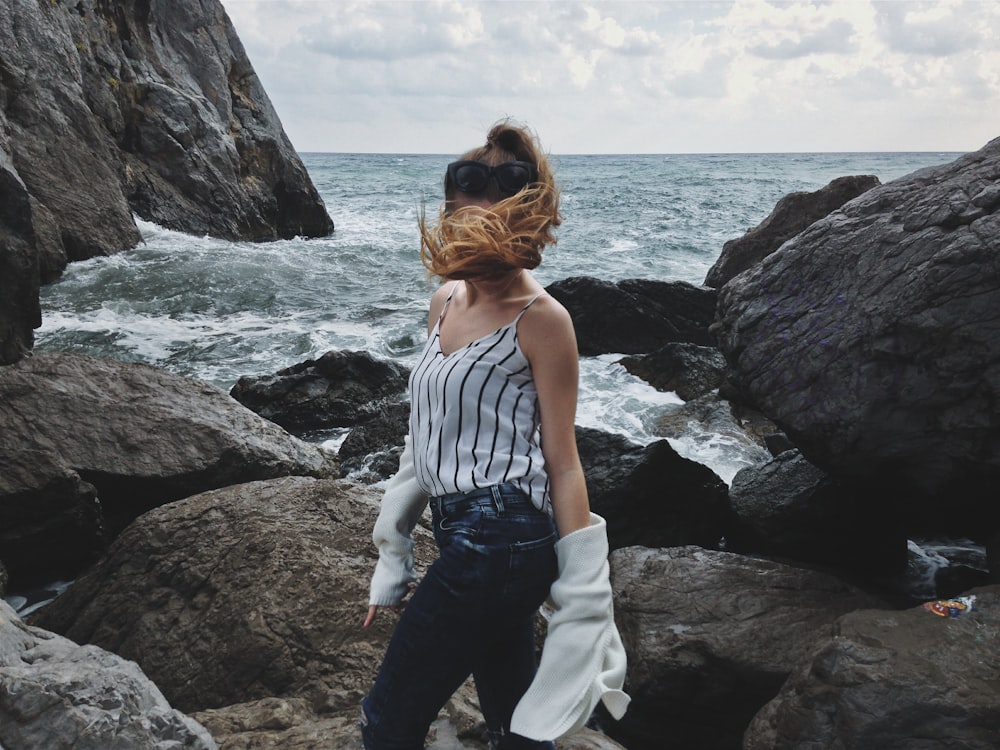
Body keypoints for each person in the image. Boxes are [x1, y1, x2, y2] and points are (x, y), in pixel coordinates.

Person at [361, 120, 628, 750]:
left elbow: (563, 463)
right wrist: (391, 550)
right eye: (469, 196)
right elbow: (421, 437)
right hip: (461, 528)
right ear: (453, 207)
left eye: (502, 201)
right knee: (514, 722)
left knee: (387, 719)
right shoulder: (445, 301)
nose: (481, 211)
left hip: (505, 533)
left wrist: (586, 594)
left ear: (528, 214)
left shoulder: (543, 321)